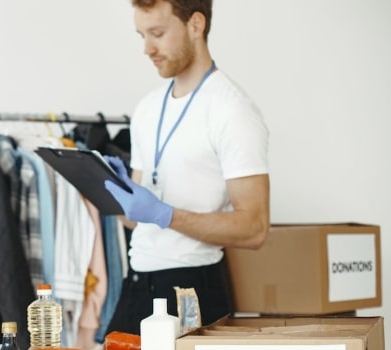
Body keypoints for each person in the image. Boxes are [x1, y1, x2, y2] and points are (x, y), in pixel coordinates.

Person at [102, 0, 270, 335]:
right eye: (142, 35)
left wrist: (167, 215)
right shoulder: (147, 109)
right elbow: (136, 220)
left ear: (196, 25)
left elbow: (255, 228)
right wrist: (107, 191)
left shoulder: (232, 111)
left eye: (158, 33)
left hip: (191, 289)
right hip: (136, 286)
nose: (147, 49)